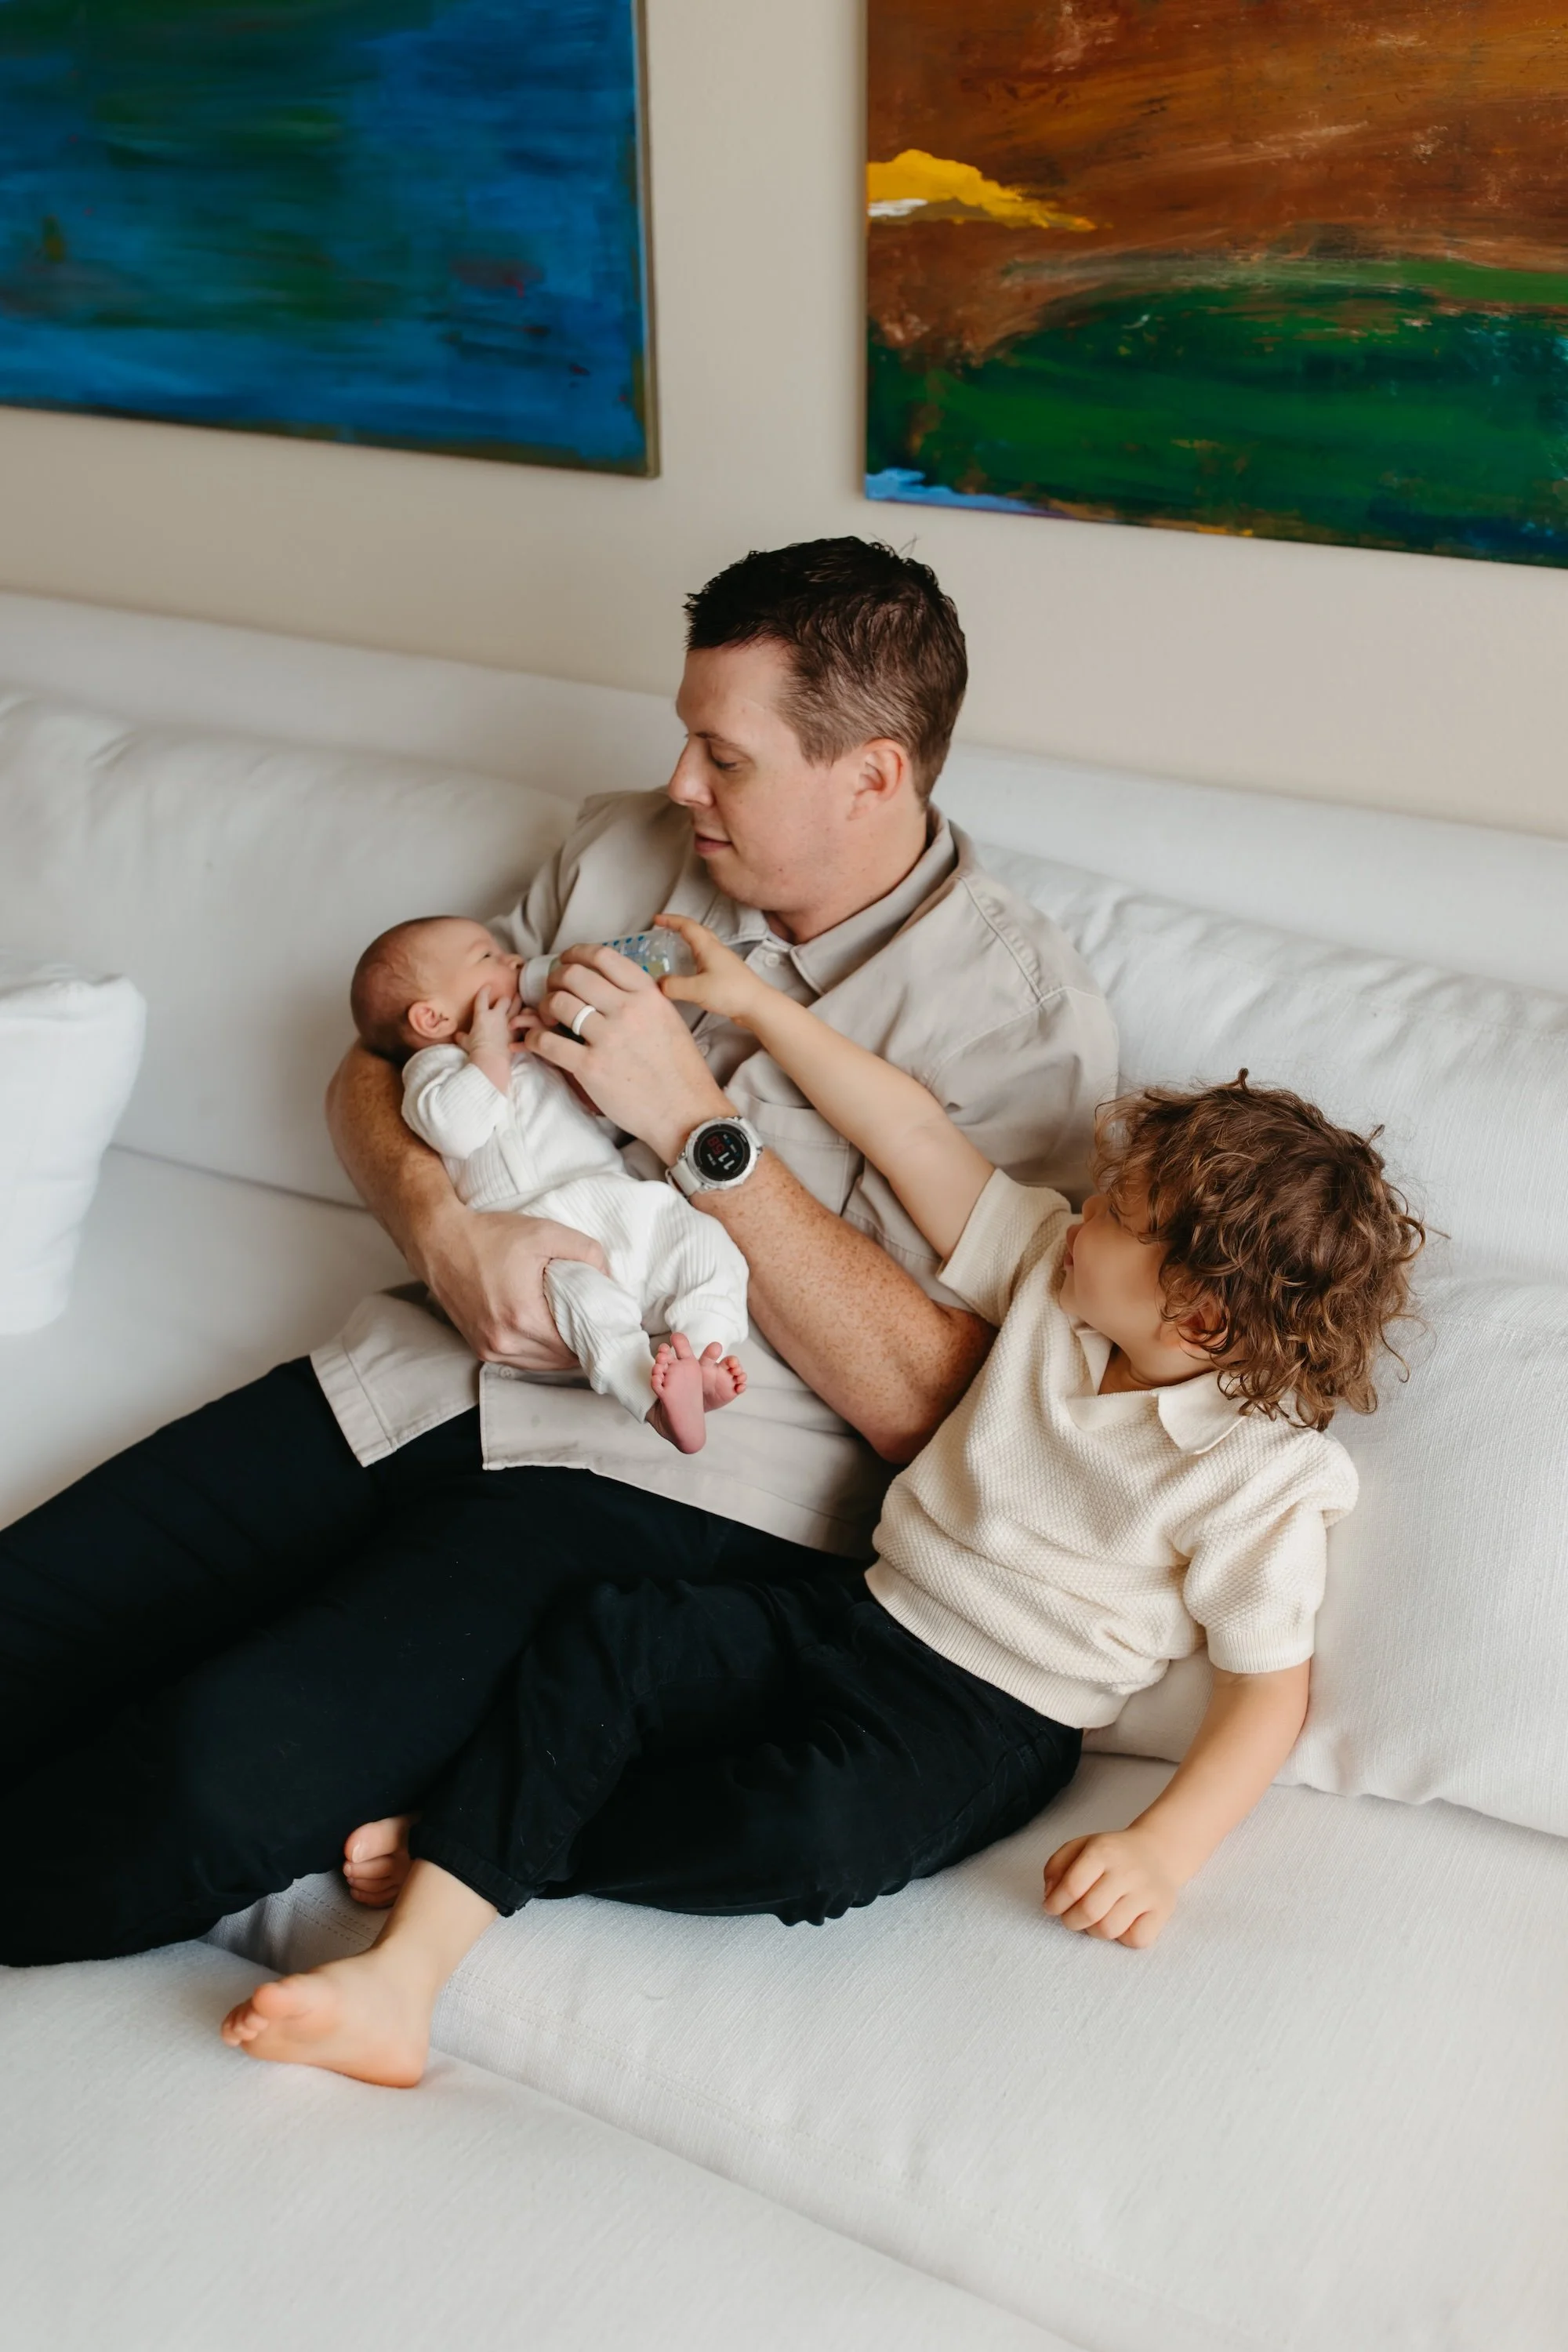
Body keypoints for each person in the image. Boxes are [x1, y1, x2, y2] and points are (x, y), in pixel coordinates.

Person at [0, 536, 1118, 1966]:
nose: (681, 786)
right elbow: (373, 1069)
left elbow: (932, 1401)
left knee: (200, 1782)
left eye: (726, 757)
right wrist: (440, 1222)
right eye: (683, 738)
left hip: (667, 1480)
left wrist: (702, 1128)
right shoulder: (625, 852)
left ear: (874, 774)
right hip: (419, 1367)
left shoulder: (1019, 1028)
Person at [219, 919, 1425, 2085]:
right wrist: (752, 1007)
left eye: (1124, 1216)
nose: (1086, 1208)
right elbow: (907, 1129)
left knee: (807, 1834)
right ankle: (398, 1987)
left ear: (1200, 1321)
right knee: (609, 1633)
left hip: (980, 1721)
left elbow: (1268, 1691)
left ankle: (478, 1840)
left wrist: (1165, 1848)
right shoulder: (1054, 1282)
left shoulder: (1260, 1474)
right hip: (857, 1606)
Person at [350, 914, 748, 1451]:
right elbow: (458, 1128)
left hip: (616, 1203)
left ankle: (702, 1354)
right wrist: (487, 1049)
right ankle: (650, 1397)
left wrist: (563, 1066)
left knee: (705, 1246)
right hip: (538, 1235)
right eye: (486, 957)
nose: (513, 962)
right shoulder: (432, 1070)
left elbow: (604, 1124)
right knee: (585, 1304)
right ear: (431, 1016)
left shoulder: (529, 1048)